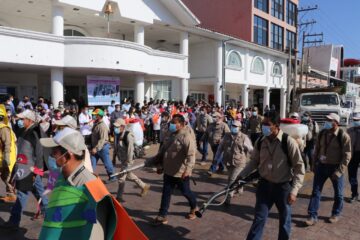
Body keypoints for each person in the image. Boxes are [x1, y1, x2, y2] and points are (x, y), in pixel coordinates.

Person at [38, 127, 148, 240]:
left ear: (67, 155)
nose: (51, 155)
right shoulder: (61, 178)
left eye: (54, 152)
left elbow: (96, 235)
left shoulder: (91, 188)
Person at [239, 111, 305, 240]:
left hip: (283, 188)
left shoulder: (288, 142)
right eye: (263, 123)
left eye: (267, 124)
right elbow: (254, 161)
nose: (264, 126)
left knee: (285, 220)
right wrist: (242, 175)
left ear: (276, 125)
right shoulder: (260, 141)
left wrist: (294, 191)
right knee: (259, 218)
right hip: (264, 186)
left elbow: (299, 167)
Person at [145, 114, 197, 225]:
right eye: (171, 122)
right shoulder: (170, 135)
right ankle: (162, 215)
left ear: (181, 124)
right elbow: (163, 153)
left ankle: (194, 207)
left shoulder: (186, 137)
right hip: (168, 171)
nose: (171, 125)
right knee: (166, 193)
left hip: (181, 173)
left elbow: (191, 156)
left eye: (174, 123)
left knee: (186, 192)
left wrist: (188, 170)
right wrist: (158, 165)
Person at [1, 110, 48, 229]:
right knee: (39, 192)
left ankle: (14, 221)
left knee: (22, 195)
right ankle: (48, 213)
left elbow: (39, 153)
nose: (21, 121)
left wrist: (36, 171)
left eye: (23, 119)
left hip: (30, 170)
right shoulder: (24, 131)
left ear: (30, 120)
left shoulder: (35, 132)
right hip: (23, 168)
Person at [305, 113, 351, 226]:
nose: (326, 122)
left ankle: (336, 214)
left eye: (329, 120)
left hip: (335, 167)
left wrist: (339, 171)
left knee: (339, 194)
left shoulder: (343, 136)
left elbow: (347, 156)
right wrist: (313, 163)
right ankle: (312, 215)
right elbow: (317, 150)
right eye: (326, 119)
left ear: (336, 122)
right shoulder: (322, 133)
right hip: (321, 166)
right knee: (316, 191)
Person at [214, 120, 253, 204]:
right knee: (233, 178)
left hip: (239, 163)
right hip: (228, 162)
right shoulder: (227, 136)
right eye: (233, 126)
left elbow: (250, 149)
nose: (233, 127)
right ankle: (239, 189)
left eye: (236, 126)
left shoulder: (244, 137)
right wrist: (216, 158)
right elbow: (220, 148)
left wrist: (255, 160)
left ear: (239, 128)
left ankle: (227, 198)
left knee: (231, 180)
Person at [113, 118, 150, 201]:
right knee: (129, 175)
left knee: (121, 177)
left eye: (117, 126)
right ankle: (144, 186)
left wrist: (128, 162)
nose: (115, 128)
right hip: (122, 159)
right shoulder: (118, 134)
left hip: (128, 160)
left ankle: (119, 197)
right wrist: (114, 157)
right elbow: (116, 147)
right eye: (115, 126)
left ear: (122, 126)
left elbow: (130, 150)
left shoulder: (128, 135)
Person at [90, 109, 116, 182]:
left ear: (99, 116)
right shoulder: (96, 123)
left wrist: (96, 148)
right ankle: (89, 178)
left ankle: (112, 177)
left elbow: (102, 139)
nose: (93, 116)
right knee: (91, 163)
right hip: (96, 147)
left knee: (107, 163)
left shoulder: (102, 126)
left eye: (95, 115)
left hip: (102, 147)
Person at [0, 106, 17, 203]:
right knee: (4, 177)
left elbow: (7, 144)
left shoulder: (4, 129)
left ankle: (11, 195)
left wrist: (6, 159)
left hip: (6, 157)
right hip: (1, 157)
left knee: (6, 177)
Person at [347, 113, 360, 203]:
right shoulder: (349, 130)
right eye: (354, 120)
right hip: (352, 154)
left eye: (357, 120)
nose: (356, 122)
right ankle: (354, 194)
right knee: (352, 175)